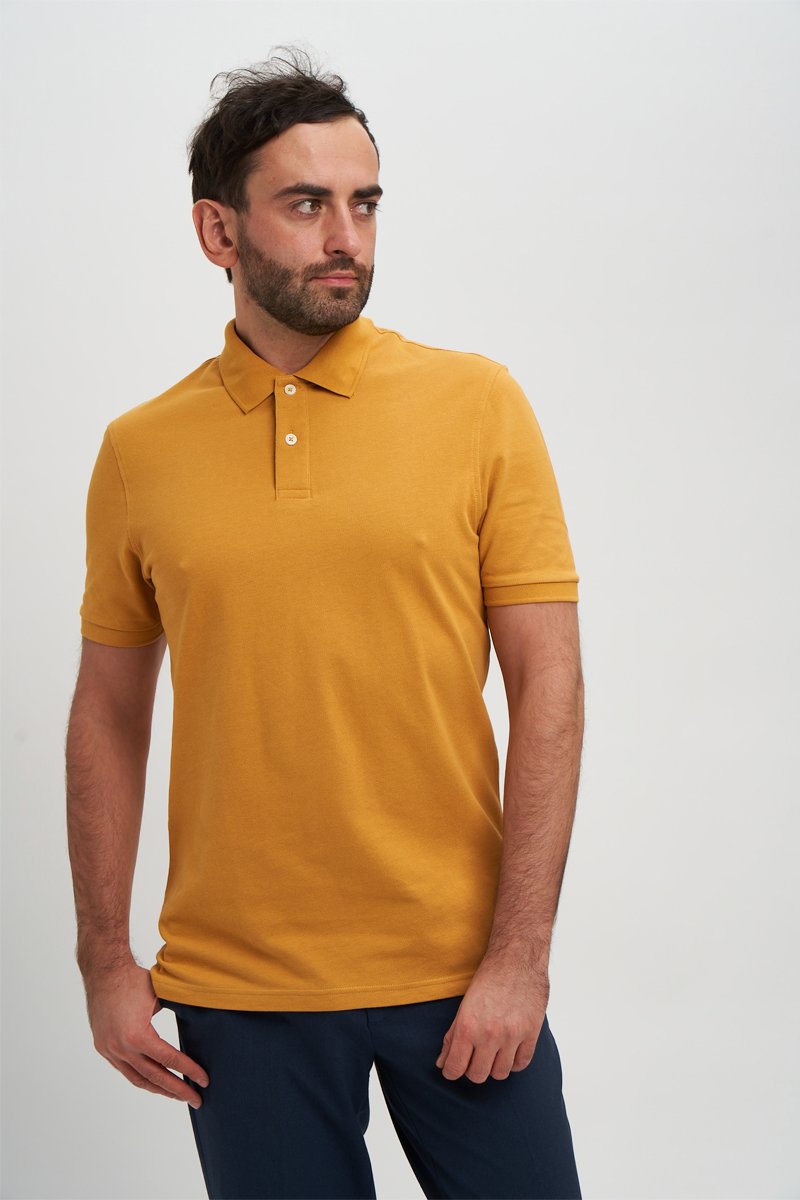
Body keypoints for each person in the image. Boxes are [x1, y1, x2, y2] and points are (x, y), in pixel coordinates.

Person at [65, 46, 585, 1200]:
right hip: (237, 995)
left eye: (364, 202)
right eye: (305, 204)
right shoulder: (139, 451)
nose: (346, 236)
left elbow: (548, 682)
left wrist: (519, 957)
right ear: (218, 231)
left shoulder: (477, 404)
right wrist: (105, 961)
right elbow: (107, 710)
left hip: (459, 974)